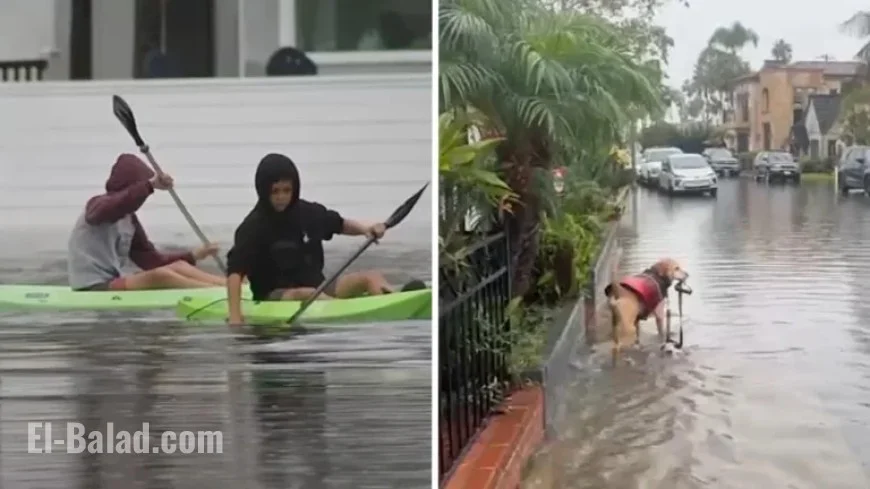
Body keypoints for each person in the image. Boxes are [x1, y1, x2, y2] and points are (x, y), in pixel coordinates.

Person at [225, 153, 419, 326]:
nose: (281, 197)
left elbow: (340, 224)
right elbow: (235, 272)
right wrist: (235, 317)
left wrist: (366, 229)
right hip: (276, 296)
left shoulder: (308, 213)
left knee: (371, 276)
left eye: (286, 190)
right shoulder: (253, 226)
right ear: (264, 191)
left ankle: (396, 302)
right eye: (275, 191)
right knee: (306, 293)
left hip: (320, 288)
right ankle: (350, 312)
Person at [67, 153, 227, 291]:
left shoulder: (129, 220)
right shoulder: (98, 205)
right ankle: (220, 294)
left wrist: (194, 255)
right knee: (161, 276)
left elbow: (152, 261)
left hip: (115, 279)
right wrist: (149, 185)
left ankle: (233, 286)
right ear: (131, 187)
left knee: (179, 267)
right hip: (93, 285)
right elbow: (112, 207)